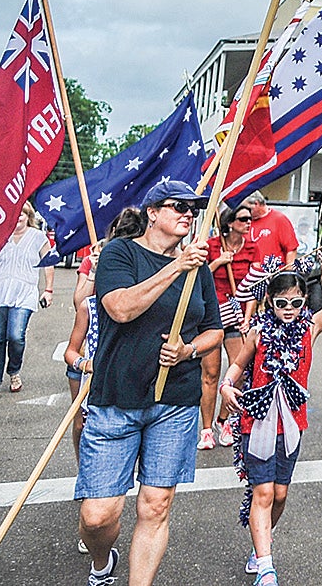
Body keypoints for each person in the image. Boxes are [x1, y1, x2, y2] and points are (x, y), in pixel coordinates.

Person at [76, 180, 223, 586]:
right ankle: (102, 562)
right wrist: (176, 265)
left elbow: (214, 330)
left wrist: (189, 350)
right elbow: (120, 308)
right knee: (97, 515)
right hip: (116, 397)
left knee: (155, 505)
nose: (188, 214)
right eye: (179, 206)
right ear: (153, 212)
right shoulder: (119, 253)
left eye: (192, 208)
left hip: (174, 401)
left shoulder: (198, 269)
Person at [220, 239, 322, 586]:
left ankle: (261, 543)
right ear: (270, 303)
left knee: (280, 494)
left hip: (292, 422)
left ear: (304, 302)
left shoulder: (310, 328)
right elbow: (236, 366)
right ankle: (265, 566)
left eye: (296, 302)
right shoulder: (258, 331)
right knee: (262, 492)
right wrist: (226, 385)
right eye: (282, 303)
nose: (290, 308)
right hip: (257, 418)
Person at [66, 207, 148, 462]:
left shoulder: (139, 261)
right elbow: (80, 301)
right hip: (87, 364)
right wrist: (84, 363)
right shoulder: (96, 259)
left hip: (123, 363)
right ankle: (84, 469)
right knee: (81, 423)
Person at [0, 202, 52, 395]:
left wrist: (48, 289)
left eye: (22, 215)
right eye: (15, 214)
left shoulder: (37, 237)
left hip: (24, 291)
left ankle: (14, 371)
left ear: (29, 217)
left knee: (16, 336)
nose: (18, 218)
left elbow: (48, 262)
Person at [202, 203, 260, 449]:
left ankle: (224, 420)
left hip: (236, 314)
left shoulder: (252, 248)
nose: (248, 223)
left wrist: (248, 316)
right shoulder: (213, 246)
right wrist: (217, 262)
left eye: (250, 219)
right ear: (229, 223)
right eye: (243, 218)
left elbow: (254, 287)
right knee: (211, 373)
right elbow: (197, 276)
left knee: (239, 373)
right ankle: (206, 431)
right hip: (211, 315)